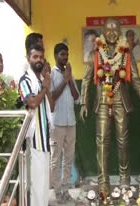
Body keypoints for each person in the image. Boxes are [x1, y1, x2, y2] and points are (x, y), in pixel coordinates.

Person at [79, 18, 140, 195]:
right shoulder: (95, 53)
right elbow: (87, 80)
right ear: (103, 31)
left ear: (120, 32)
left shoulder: (126, 53)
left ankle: (124, 180)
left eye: (115, 29)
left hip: (121, 102)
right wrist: (84, 102)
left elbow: (133, 77)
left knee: (123, 142)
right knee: (101, 142)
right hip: (101, 103)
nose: (111, 33)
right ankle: (103, 183)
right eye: (108, 29)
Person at [18, 44, 54, 206]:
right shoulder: (25, 80)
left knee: (43, 186)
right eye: (35, 57)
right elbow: (32, 102)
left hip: (45, 141)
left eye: (41, 57)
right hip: (34, 142)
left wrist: (46, 85)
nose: (38, 60)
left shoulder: (41, 80)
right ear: (28, 59)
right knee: (36, 186)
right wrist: (45, 87)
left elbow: (51, 106)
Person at [50, 43, 80, 203]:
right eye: (62, 54)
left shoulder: (70, 74)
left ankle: (66, 189)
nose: (65, 57)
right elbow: (52, 96)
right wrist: (64, 80)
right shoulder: (52, 74)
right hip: (57, 124)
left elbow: (76, 97)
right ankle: (56, 191)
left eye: (67, 54)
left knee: (68, 158)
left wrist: (69, 79)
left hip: (71, 123)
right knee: (55, 159)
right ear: (55, 56)